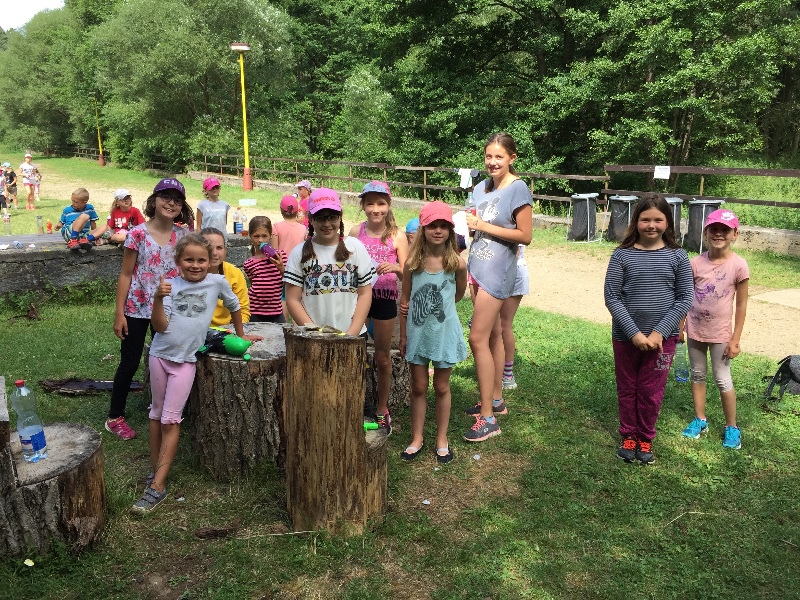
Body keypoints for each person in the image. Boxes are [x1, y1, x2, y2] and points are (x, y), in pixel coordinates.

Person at [131, 234, 247, 514]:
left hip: (185, 362)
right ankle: (156, 472)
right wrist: (158, 299)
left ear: (210, 261)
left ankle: (158, 486)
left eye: (201, 260)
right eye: (189, 260)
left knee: (170, 420)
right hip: (159, 356)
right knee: (156, 415)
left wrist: (241, 336)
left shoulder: (218, 282)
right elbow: (160, 327)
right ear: (179, 261)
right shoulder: (170, 286)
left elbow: (235, 306)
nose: (195, 265)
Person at [604, 193, 693, 464]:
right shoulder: (621, 255)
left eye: (658, 219)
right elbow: (612, 297)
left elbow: (685, 298)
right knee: (628, 387)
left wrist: (658, 333)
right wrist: (634, 333)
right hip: (625, 337)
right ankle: (628, 435)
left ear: (668, 222)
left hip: (662, 341)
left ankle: (645, 438)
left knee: (651, 391)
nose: (651, 225)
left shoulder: (678, 256)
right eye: (645, 219)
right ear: (636, 221)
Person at [106, 178, 193, 441]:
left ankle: (165, 408)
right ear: (153, 201)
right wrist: (119, 313)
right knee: (130, 361)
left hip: (168, 309)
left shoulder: (183, 236)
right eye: (165, 197)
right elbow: (126, 274)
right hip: (136, 307)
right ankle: (114, 417)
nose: (171, 203)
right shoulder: (137, 234)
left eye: (177, 200)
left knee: (167, 359)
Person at [463, 132, 532, 442]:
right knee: (490, 336)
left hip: (498, 272)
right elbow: (472, 224)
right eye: (488, 156)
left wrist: (482, 226)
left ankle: (489, 419)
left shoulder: (518, 189)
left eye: (499, 157)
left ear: (511, 158)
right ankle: (495, 400)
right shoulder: (480, 188)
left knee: (476, 338)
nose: (492, 162)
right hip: (477, 268)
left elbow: (525, 235)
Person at [398, 201, 468, 463]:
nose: (437, 231)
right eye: (432, 226)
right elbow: (405, 301)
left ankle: (441, 438)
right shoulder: (412, 264)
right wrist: (403, 335)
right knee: (418, 386)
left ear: (450, 230)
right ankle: (417, 438)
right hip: (417, 333)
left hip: (443, 334)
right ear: (423, 229)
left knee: (441, 386)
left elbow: (457, 295)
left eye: (443, 226)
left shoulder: (457, 264)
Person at [681, 209, 749, 449]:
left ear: (735, 234)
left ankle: (732, 427)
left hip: (721, 334)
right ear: (705, 233)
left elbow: (741, 305)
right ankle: (700, 419)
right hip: (695, 331)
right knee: (697, 375)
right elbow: (685, 297)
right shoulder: (695, 263)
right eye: (714, 229)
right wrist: (680, 326)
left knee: (722, 379)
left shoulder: (738, 265)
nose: (719, 234)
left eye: (725, 230)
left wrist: (735, 339)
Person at [349, 181, 408, 433]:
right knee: (355, 353)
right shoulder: (355, 232)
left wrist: (395, 267)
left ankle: (382, 409)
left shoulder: (397, 236)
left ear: (389, 205)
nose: (376, 209)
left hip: (384, 299)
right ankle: (356, 404)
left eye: (381, 203)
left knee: (383, 358)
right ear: (362, 205)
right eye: (370, 203)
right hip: (358, 299)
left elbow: (408, 273)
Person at [284, 187, 374, 335]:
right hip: (314, 337)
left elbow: (365, 293)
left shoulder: (355, 247)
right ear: (310, 219)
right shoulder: (299, 253)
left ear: (340, 217)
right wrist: (315, 333)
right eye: (320, 218)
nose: (327, 224)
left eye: (332, 217)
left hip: (353, 334)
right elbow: (293, 300)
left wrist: (352, 334)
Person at [200, 227, 251, 326]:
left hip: (227, 329)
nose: (214, 253)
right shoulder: (192, 273)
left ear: (225, 250)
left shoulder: (234, 273)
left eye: (219, 248)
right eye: (209, 247)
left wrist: (235, 330)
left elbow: (243, 310)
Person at [243, 216, 288, 323]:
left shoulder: (280, 256)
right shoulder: (249, 263)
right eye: (256, 236)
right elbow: (254, 284)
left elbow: (288, 282)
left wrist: (281, 268)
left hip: (276, 311)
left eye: (264, 236)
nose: (260, 240)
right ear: (250, 236)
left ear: (270, 236)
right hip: (255, 311)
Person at [272, 195, 308, 320]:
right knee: (299, 300)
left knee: (284, 297)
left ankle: (283, 325)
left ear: (281, 211)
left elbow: (275, 251)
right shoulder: (303, 228)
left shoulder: (276, 226)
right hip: (298, 269)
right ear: (297, 211)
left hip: (282, 268)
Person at [499, 245, 529, 390]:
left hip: (510, 271)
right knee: (497, 325)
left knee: (504, 325)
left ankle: (507, 375)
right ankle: (497, 370)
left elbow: (514, 252)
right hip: (498, 271)